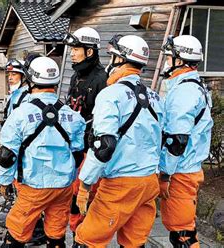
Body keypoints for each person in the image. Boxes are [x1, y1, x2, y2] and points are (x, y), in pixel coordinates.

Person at [73, 35, 164, 247]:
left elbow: (104, 146)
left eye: (111, 56)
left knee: (87, 239)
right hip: (148, 181)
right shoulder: (155, 97)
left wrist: (85, 184)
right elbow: (165, 139)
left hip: (120, 183)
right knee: (134, 241)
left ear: (119, 60)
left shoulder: (110, 94)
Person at [0, 56, 86, 248]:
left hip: (34, 185)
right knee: (55, 234)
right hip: (63, 187)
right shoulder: (73, 116)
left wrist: (4, 181)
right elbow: (78, 154)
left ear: (30, 80)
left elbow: (7, 155)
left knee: (17, 232)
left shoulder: (20, 114)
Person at [159, 35, 213, 247]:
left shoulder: (184, 91)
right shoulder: (193, 86)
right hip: (187, 168)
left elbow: (176, 140)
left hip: (180, 171)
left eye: (169, 57)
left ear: (179, 60)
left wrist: (165, 174)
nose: (165, 61)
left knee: (182, 232)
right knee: (181, 227)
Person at [64, 26, 108, 236]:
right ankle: (76, 234)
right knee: (72, 200)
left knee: (85, 199)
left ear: (89, 51)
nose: (72, 53)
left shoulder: (103, 80)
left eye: (76, 48)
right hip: (73, 147)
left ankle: (85, 237)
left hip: (90, 150)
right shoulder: (75, 77)